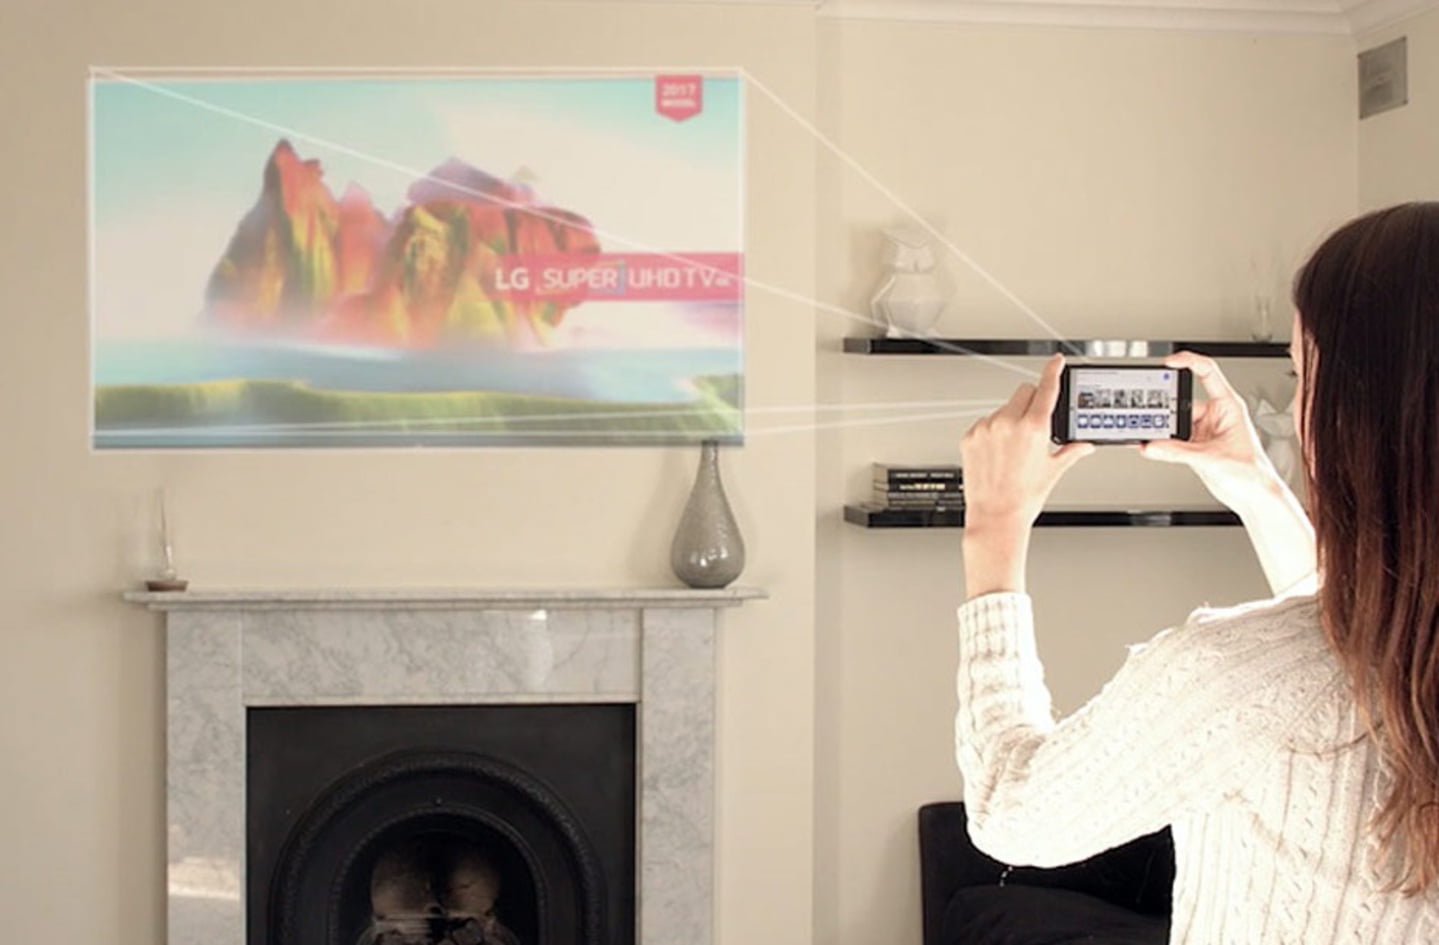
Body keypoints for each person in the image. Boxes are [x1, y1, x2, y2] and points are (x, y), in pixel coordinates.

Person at [955, 201, 1439, 943]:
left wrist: (992, 533)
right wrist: (1255, 485)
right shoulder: (1387, 657)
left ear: (1355, 412)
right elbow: (1359, 643)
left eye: (1301, 374)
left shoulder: (1232, 675)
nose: (1296, 407)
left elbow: (1010, 812)